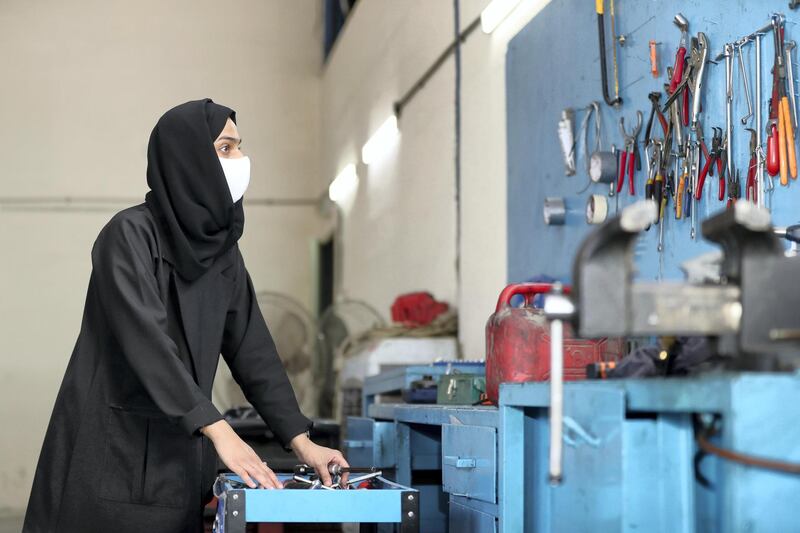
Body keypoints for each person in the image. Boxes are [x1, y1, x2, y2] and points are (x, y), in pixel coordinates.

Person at [23, 99, 348, 533]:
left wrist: (301, 441)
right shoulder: (128, 237)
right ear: (188, 157)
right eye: (226, 148)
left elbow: (254, 351)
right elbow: (147, 344)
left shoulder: (223, 254)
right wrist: (218, 428)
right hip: (110, 451)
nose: (240, 160)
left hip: (178, 455)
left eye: (239, 148)